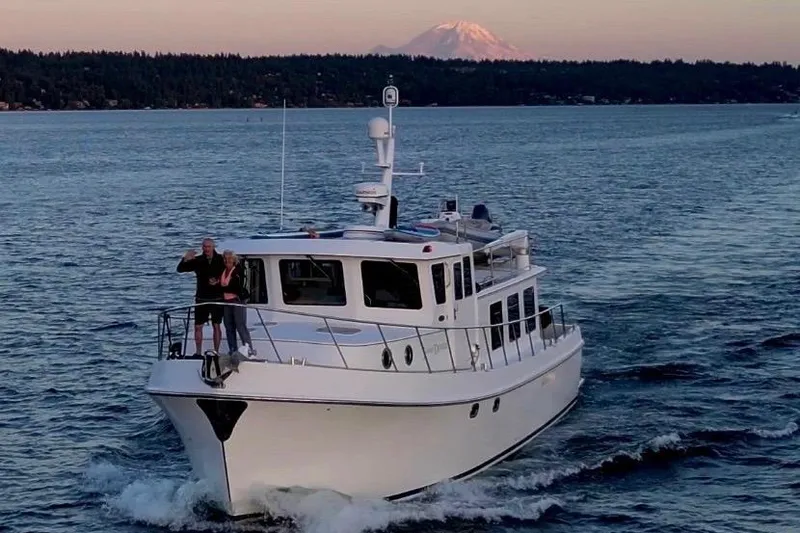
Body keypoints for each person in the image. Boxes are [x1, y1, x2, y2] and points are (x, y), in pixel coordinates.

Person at [177, 237, 225, 355]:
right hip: (201, 298)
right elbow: (180, 269)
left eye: (208, 247)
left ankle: (216, 352)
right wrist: (185, 259)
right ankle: (198, 352)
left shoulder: (221, 260)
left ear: (213, 247)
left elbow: (228, 273)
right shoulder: (198, 260)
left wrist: (218, 281)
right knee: (198, 326)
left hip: (217, 298)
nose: (206, 249)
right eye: (204, 247)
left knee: (216, 325)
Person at [219, 250, 256, 356]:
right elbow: (223, 286)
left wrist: (223, 288)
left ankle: (249, 349)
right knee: (228, 326)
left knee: (240, 325)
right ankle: (232, 349)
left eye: (229, 258)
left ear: (234, 260)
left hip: (237, 300)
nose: (227, 260)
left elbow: (236, 286)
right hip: (226, 301)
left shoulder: (238, 270)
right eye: (225, 258)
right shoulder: (223, 271)